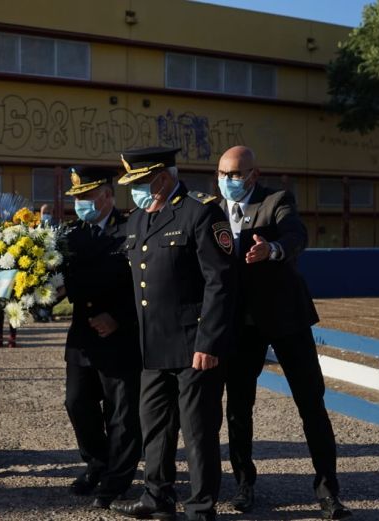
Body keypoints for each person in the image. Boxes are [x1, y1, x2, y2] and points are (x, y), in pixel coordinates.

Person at [217, 146, 352, 519]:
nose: (228, 181)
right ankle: (245, 483)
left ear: (253, 175)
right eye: (222, 174)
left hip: (285, 318)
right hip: (240, 325)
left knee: (311, 402)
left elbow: (295, 236)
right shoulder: (213, 211)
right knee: (239, 407)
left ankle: (328, 491)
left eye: (235, 174)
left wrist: (272, 249)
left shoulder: (277, 200)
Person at [111, 147, 237, 521]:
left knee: (197, 433)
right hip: (153, 347)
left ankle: (200, 508)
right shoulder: (136, 221)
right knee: (154, 428)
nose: (134, 191)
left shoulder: (200, 212)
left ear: (162, 178)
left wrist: (209, 342)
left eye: (140, 183)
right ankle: (157, 498)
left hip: (193, 346)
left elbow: (221, 281)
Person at [58, 166, 142, 509]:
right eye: (76, 198)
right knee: (77, 402)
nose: (80, 203)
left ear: (107, 195)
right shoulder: (71, 234)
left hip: (120, 337)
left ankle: (117, 479)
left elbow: (146, 284)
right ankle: (98, 462)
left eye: (86, 197)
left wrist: (119, 318)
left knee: (122, 414)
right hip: (83, 337)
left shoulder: (132, 229)